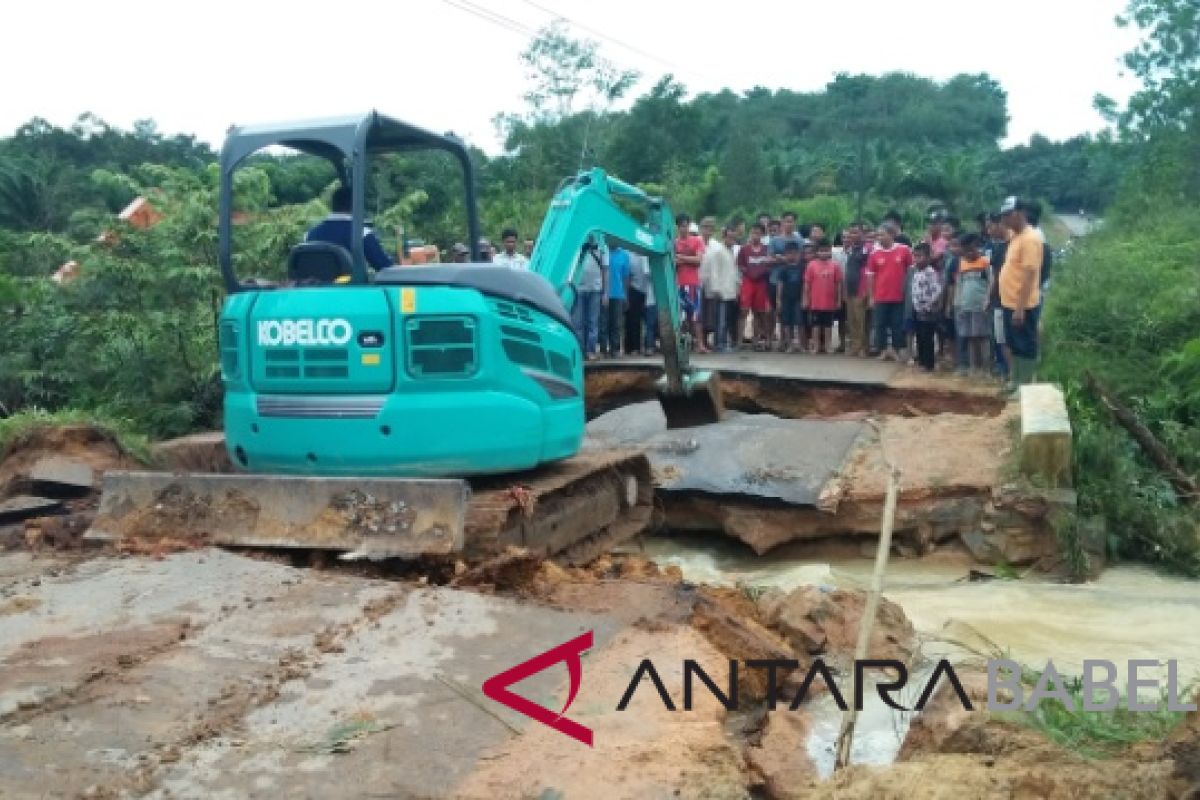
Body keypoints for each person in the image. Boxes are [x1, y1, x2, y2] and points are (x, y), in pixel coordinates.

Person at [998, 196, 1044, 393]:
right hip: (1009, 302)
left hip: (1022, 305)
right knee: (1014, 344)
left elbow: (1028, 275)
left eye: (1007, 216)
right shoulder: (1016, 236)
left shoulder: (1030, 239)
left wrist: (1019, 309)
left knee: (1025, 346)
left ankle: (1025, 386)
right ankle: (1016, 381)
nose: (1004, 220)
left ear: (1019, 214)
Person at [305, 184, 394, 271]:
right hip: (352, 285)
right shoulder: (362, 233)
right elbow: (384, 267)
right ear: (356, 206)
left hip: (316, 285)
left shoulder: (310, 235)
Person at [866, 222, 913, 361]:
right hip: (880, 296)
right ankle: (883, 350)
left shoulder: (904, 250)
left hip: (899, 296)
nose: (879, 237)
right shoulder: (874, 254)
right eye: (878, 235)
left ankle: (897, 350)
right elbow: (870, 277)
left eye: (882, 234)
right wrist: (871, 297)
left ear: (891, 234)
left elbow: (910, 271)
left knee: (897, 324)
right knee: (879, 324)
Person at [952, 233, 994, 378]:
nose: (968, 254)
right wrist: (957, 303)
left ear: (977, 247)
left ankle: (985, 368)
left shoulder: (985, 263)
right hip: (965, 305)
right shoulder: (962, 263)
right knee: (970, 336)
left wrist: (987, 300)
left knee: (982, 337)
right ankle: (973, 367)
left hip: (980, 305)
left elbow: (991, 283)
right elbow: (959, 284)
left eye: (971, 250)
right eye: (965, 251)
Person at [700, 226, 740, 352]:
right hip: (720, 292)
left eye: (734, 238)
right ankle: (719, 344)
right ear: (724, 237)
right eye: (730, 237)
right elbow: (714, 272)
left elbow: (733, 273)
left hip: (729, 291)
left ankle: (722, 343)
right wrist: (716, 289)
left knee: (725, 320)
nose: (732, 240)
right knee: (720, 321)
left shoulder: (730, 251)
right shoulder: (717, 251)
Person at [803, 240, 845, 355]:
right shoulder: (811, 265)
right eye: (821, 251)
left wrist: (838, 299)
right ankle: (816, 345)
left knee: (828, 325)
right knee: (816, 326)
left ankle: (827, 345)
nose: (824, 253)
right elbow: (807, 284)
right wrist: (806, 299)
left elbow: (838, 284)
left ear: (830, 251)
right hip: (815, 302)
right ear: (817, 252)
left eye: (826, 251)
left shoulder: (835, 265)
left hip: (829, 302)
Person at [674, 213, 708, 353]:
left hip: (693, 283)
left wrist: (681, 257)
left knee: (695, 316)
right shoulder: (674, 243)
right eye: (682, 226)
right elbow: (672, 262)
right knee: (680, 317)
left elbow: (699, 260)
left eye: (686, 225)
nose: (684, 228)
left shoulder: (697, 241)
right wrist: (690, 259)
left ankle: (699, 344)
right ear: (678, 227)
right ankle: (681, 345)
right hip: (678, 284)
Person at [737, 222, 773, 351]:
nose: (755, 236)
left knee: (760, 313)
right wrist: (749, 273)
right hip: (748, 282)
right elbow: (740, 265)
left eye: (758, 233)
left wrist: (761, 272)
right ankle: (739, 340)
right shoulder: (744, 249)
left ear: (762, 235)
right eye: (753, 233)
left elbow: (769, 265)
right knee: (744, 311)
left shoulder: (766, 249)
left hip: (761, 283)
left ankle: (756, 339)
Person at [910, 243, 944, 373]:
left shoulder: (931, 273)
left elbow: (936, 291)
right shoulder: (917, 271)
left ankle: (929, 364)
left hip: (927, 311)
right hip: (917, 309)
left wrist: (928, 305)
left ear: (928, 257)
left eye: (920, 256)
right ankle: (922, 362)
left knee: (927, 338)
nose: (917, 259)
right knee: (919, 337)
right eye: (915, 256)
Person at [572, 240, 607, 360]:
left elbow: (605, 270)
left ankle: (591, 350)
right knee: (577, 323)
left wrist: (605, 292)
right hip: (578, 289)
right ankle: (580, 351)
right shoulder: (577, 245)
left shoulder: (602, 247)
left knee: (593, 322)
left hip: (595, 289)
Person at [842, 224, 872, 357]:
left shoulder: (867, 248)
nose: (853, 236)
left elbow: (868, 270)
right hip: (850, 289)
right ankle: (855, 345)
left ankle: (863, 347)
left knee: (862, 320)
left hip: (861, 288)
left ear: (862, 234)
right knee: (851, 319)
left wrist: (867, 291)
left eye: (856, 233)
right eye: (851, 233)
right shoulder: (852, 249)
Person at [775, 241, 806, 353]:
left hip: (798, 298)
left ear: (799, 254)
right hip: (786, 299)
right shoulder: (783, 269)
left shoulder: (802, 268)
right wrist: (778, 299)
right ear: (785, 254)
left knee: (799, 321)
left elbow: (805, 284)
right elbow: (780, 285)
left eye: (794, 253)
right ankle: (789, 344)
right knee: (787, 322)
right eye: (789, 253)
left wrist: (805, 298)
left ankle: (801, 344)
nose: (792, 256)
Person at [604, 246, 631, 357]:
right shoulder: (603, 251)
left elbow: (626, 277)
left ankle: (615, 349)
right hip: (603, 293)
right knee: (603, 322)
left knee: (616, 323)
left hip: (618, 293)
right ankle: (603, 348)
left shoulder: (624, 255)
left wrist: (626, 295)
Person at [625, 250, 650, 357]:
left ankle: (638, 346)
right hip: (633, 289)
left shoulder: (647, 255)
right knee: (632, 319)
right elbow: (627, 276)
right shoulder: (629, 255)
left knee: (642, 319)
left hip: (646, 291)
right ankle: (632, 347)